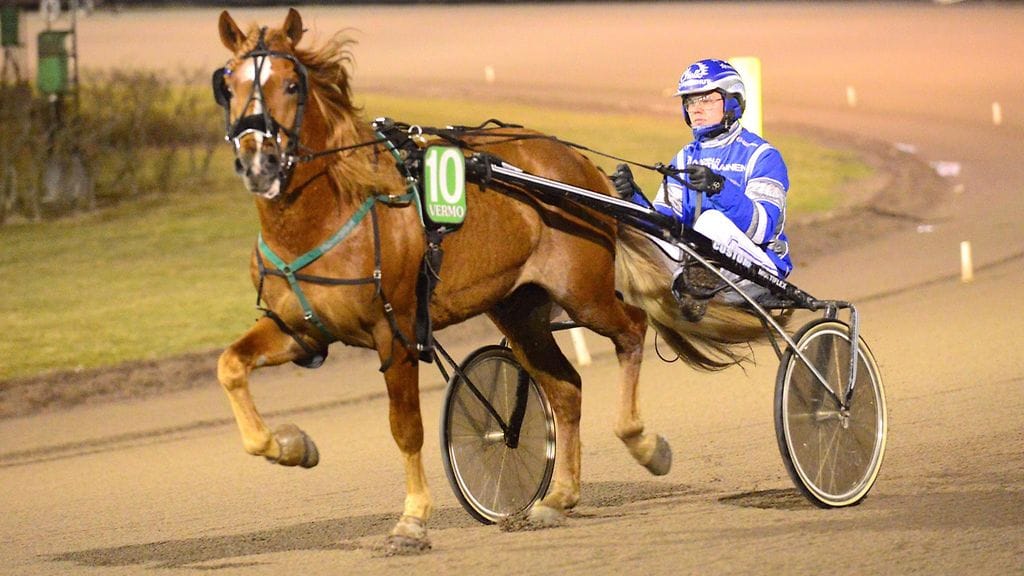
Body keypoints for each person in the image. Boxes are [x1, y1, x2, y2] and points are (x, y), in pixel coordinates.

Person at [612, 58, 792, 320]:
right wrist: (632, 198)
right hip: (698, 265)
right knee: (630, 234)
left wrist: (719, 187)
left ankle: (695, 283)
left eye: (706, 100)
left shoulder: (763, 156)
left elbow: (762, 227)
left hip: (758, 271)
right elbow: (665, 225)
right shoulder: (685, 157)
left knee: (710, 222)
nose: (696, 109)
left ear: (732, 102)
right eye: (690, 101)